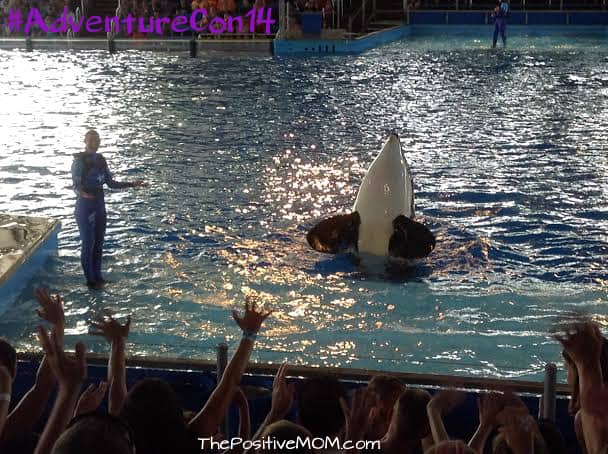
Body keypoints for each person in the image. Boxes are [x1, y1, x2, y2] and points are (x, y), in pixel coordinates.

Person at [71, 130, 146, 290]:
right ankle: (90, 282)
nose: (94, 142)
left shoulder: (101, 160)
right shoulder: (79, 161)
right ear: (85, 140)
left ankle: (98, 278)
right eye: (91, 139)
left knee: (99, 243)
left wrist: (132, 184)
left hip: (99, 205)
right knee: (88, 242)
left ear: (100, 142)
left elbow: (111, 183)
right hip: (85, 207)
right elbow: (76, 185)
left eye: (96, 139)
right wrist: (83, 194)